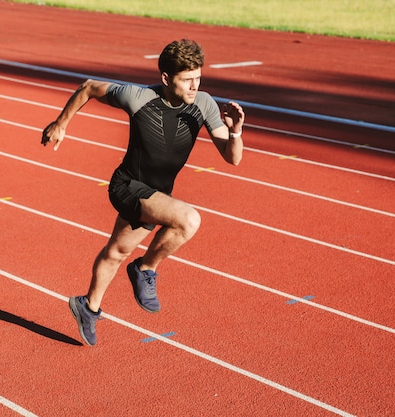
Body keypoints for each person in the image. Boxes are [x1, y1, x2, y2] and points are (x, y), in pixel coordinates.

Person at [41, 39, 244, 346]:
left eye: (198, 78)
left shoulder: (203, 104)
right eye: (187, 79)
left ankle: (88, 306)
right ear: (166, 78)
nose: (194, 86)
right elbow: (89, 87)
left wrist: (236, 131)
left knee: (117, 251)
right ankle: (146, 268)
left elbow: (233, 157)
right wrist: (61, 123)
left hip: (156, 194)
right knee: (188, 220)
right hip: (127, 186)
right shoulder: (138, 96)